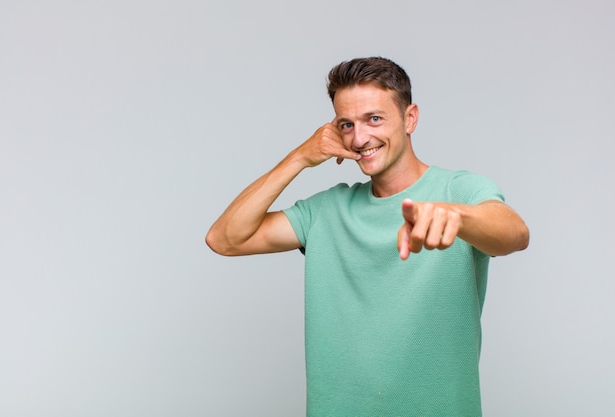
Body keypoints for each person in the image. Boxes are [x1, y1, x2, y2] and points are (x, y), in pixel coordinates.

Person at [206, 57, 529, 416]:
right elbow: (225, 239)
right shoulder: (326, 212)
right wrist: (300, 157)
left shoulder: (460, 190)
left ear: (410, 118)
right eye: (347, 124)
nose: (359, 138)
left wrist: (459, 216)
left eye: (374, 119)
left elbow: (514, 233)